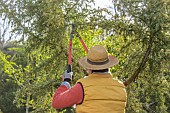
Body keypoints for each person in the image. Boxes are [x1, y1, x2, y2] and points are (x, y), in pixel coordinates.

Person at [52, 45, 127, 113]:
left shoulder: (82, 87)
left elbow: (56, 102)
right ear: (108, 66)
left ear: (89, 68)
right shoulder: (121, 87)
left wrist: (66, 81)